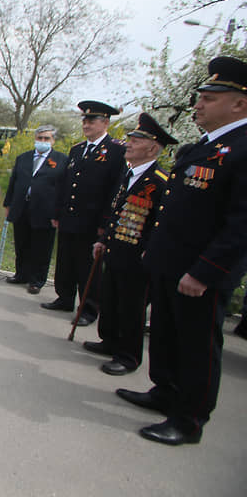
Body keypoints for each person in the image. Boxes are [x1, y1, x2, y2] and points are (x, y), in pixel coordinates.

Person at [117, 56, 247, 446]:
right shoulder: (204, 147)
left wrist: (205, 271)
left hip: (199, 273)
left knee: (197, 346)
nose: (199, 104)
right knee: (168, 336)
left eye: (209, 97)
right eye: (200, 95)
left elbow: (240, 225)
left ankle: (189, 419)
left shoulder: (241, 150)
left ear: (239, 103)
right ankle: (166, 391)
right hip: (170, 265)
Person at [83, 113, 177, 376]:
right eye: (130, 138)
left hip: (138, 258)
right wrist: (103, 240)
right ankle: (110, 341)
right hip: (116, 250)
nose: (129, 143)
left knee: (131, 308)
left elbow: (159, 224)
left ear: (152, 147)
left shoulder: (159, 181)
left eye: (136, 140)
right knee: (111, 300)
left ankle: (128, 356)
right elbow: (118, 214)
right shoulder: (130, 175)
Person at [41, 100, 126, 326]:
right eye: (84, 121)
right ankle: (65, 297)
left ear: (105, 122)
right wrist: (58, 213)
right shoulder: (78, 149)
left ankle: (88, 308)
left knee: (88, 266)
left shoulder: (116, 151)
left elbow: (116, 190)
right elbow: (66, 184)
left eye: (91, 121)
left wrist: (106, 223)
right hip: (69, 217)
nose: (86, 124)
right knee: (66, 260)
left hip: (93, 221)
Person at [3, 126, 68, 294]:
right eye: (40, 138)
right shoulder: (23, 158)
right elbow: (13, 182)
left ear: (53, 141)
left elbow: (63, 189)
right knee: (21, 244)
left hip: (45, 211)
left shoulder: (61, 160)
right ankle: (21, 274)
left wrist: (59, 213)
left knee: (41, 248)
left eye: (46, 139)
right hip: (22, 207)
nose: (42, 141)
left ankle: (36, 280)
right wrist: (8, 204)